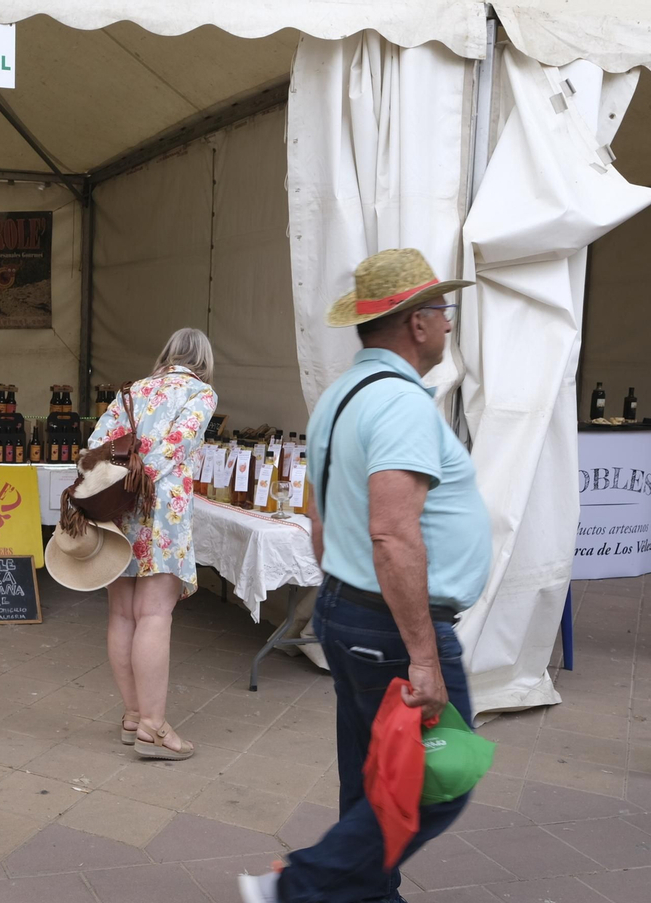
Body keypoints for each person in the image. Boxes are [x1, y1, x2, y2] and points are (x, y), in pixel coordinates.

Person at [241, 249, 491, 903]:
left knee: (375, 781)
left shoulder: (339, 397)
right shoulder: (402, 405)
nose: (446, 323)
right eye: (443, 311)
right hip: (392, 624)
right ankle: (293, 887)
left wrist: (342, 600)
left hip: (350, 609)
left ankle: (368, 895)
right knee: (435, 784)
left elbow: (323, 517)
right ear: (416, 323)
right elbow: (392, 530)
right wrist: (423, 656)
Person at [94, 328, 217, 761]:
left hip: (117, 509)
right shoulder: (200, 393)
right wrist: (144, 477)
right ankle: (153, 727)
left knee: (122, 614)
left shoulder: (131, 391)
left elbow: (95, 447)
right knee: (154, 615)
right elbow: (176, 447)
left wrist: (125, 480)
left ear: (166, 353)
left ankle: (132, 715)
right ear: (202, 360)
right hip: (162, 513)